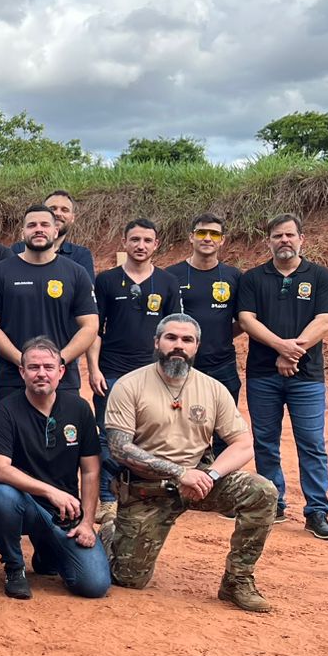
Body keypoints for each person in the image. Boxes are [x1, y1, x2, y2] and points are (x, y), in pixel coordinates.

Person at [106, 314, 279, 612]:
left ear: (196, 346)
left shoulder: (213, 389)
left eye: (187, 340)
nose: (178, 345)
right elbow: (120, 448)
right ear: (157, 342)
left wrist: (209, 475)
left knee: (262, 492)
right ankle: (111, 529)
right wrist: (179, 473)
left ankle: (237, 580)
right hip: (148, 489)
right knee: (128, 579)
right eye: (171, 338)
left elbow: (243, 443)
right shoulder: (129, 385)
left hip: (199, 483)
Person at [236, 214, 328, 539]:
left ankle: (317, 512)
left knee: (311, 443)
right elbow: (246, 319)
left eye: (290, 235)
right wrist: (281, 347)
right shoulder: (253, 278)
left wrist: (293, 351)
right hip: (262, 375)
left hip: (307, 377)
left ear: (301, 239)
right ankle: (273, 504)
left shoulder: (319, 276)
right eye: (278, 235)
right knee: (265, 443)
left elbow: (326, 319)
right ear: (269, 241)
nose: (284, 240)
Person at [0, 338, 110, 600]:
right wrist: (50, 491)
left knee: (94, 585)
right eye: (33, 367)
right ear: (22, 372)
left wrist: (87, 523)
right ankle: (14, 567)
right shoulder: (6, 410)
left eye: (49, 367)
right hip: (24, 504)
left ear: (61, 372)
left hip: (65, 513)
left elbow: (90, 471)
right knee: (0, 496)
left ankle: (47, 551)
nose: (41, 373)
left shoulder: (79, 409)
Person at [88, 217, 182, 525]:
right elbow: (94, 330)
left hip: (153, 376)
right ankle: (107, 499)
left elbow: (174, 334)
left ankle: (146, 495)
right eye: (135, 240)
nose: (140, 246)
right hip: (112, 372)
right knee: (109, 437)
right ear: (124, 242)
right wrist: (93, 369)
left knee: (150, 436)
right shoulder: (106, 280)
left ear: (156, 244)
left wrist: (172, 375)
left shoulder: (168, 283)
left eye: (147, 240)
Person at [0, 204, 99, 405]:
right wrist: (22, 360)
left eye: (45, 224)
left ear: (56, 230)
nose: (38, 229)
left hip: (62, 380)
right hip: (12, 379)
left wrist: (58, 362)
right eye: (32, 225)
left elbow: (90, 326)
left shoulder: (76, 273)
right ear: (23, 232)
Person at [167, 213, 243, 406]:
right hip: (181, 364)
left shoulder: (233, 276)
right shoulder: (171, 275)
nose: (207, 238)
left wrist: (220, 335)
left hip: (222, 365)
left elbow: (244, 320)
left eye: (214, 234)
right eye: (201, 233)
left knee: (224, 431)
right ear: (191, 237)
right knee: (181, 429)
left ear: (222, 240)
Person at [12, 190, 96, 278]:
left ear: (72, 218)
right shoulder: (18, 250)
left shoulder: (81, 255)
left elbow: (87, 289)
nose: (58, 213)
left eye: (65, 210)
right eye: (52, 209)